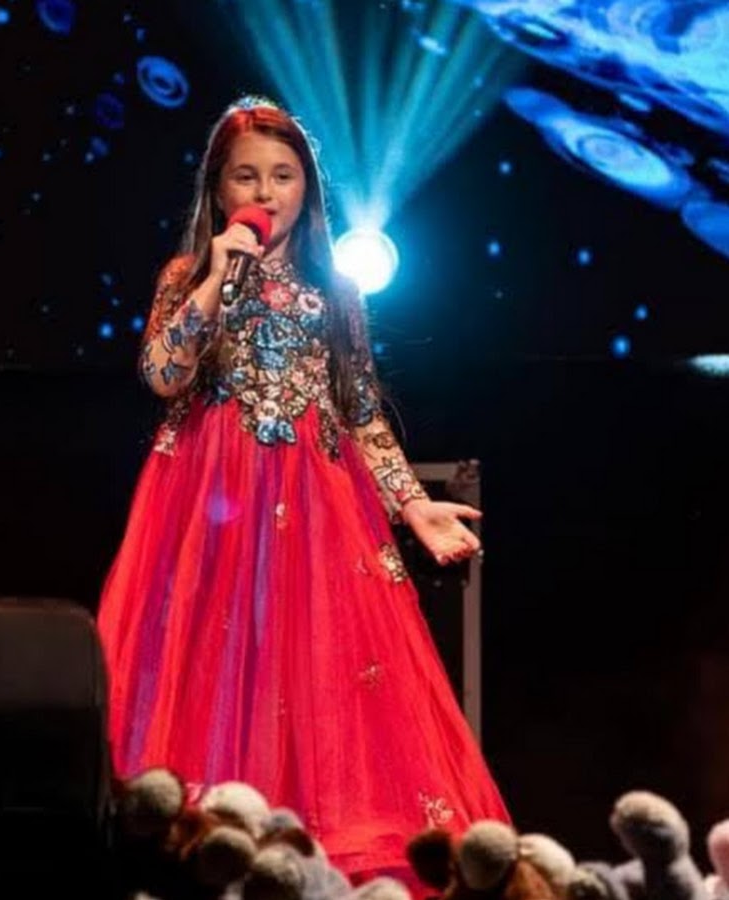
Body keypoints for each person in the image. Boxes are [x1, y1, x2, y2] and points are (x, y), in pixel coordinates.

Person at [96, 95, 510, 890]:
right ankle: (199, 848)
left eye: (282, 175)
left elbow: (360, 410)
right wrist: (215, 280)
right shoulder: (188, 277)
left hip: (314, 508)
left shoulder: (333, 287)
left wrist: (411, 503)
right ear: (219, 190)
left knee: (314, 670)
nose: (266, 191)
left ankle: (312, 865)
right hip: (206, 504)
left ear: (306, 187)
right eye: (246, 176)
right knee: (211, 663)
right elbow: (161, 375)